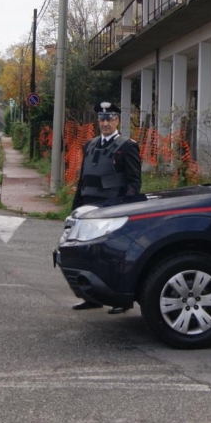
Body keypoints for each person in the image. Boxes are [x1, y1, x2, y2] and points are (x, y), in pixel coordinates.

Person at [71, 101, 142, 312]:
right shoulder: (90, 145)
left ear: (117, 120)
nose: (105, 123)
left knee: (114, 257)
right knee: (88, 254)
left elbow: (134, 183)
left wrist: (126, 208)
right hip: (89, 208)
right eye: (101, 119)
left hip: (113, 210)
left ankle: (123, 302)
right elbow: (83, 180)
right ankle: (91, 297)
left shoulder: (127, 146)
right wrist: (75, 207)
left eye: (109, 119)